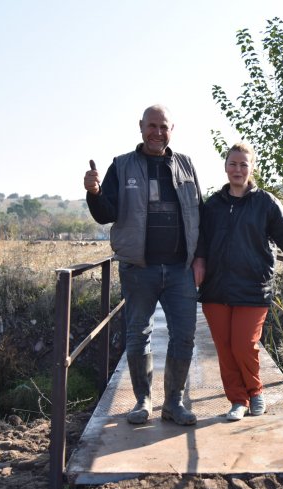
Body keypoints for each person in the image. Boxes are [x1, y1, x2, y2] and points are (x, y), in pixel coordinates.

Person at [193, 142, 283, 421]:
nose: (237, 169)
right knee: (224, 348)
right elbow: (201, 243)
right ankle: (237, 400)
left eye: (243, 164)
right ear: (225, 167)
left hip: (253, 287)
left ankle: (256, 393)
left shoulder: (265, 202)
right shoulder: (213, 205)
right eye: (233, 164)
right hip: (215, 289)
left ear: (252, 168)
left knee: (244, 345)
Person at [83, 104, 203, 426]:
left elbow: (198, 214)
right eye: (152, 126)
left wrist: (200, 258)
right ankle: (143, 401)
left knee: (185, 336)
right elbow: (105, 212)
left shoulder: (186, 164)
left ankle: (174, 403)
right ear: (140, 127)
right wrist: (93, 191)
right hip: (139, 269)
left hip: (180, 269)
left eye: (164, 127)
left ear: (171, 130)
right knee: (138, 334)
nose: (158, 133)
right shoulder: (122, 166)